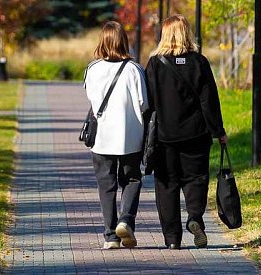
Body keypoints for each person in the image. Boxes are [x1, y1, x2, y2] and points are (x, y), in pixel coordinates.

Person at [144, 15, 227, 249]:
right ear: (186, 34)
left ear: (164, 35)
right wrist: (218, 131)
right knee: (196, 179)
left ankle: (172, 239)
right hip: (196, 134)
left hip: (164, 136)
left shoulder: (155, 64)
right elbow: (209, 100)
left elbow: (147, 103)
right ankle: (195, 218)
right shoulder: (199, 62)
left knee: (166, 184)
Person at [83, 21, 149, 249]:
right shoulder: (135, 70)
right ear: (124, 42)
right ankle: (126, 220)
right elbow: (144, 103)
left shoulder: (92, 69)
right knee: (132, 179)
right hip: (130, 136)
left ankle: (110, 236)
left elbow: (91, 97)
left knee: (106, 186)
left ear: (102, 41)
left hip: (102, 137)